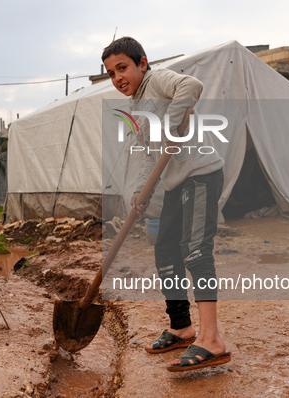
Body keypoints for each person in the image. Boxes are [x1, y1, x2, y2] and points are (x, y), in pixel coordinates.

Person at [102, 37, 230, 372]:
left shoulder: (158, 80)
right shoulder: (136, 107)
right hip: (176, 182)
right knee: (166, 249)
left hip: (201, 173)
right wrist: (141, 192)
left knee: (196, 251)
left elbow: (192, 85)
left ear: (142, 64)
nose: (117, 77)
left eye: (122, 68)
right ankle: (181, 327)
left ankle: (212, 339)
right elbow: (149, 153)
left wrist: (171, 124)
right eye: (111, 73)